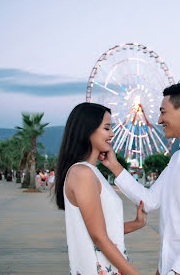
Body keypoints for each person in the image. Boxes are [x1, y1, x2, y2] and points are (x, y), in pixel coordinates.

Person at [100, 83, 180, 275]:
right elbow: (151, 201)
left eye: (163, 112)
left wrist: (177, 270)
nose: (159, 119)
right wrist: (114, 166)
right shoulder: (179, 157)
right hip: (170, 265)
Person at [53, 102, 145, 275]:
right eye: (107, 128)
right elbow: (99, 237)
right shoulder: (83, 173)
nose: (112, 134)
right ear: (88, 130)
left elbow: (100, 229)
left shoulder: (90, 172)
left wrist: (137, 224)